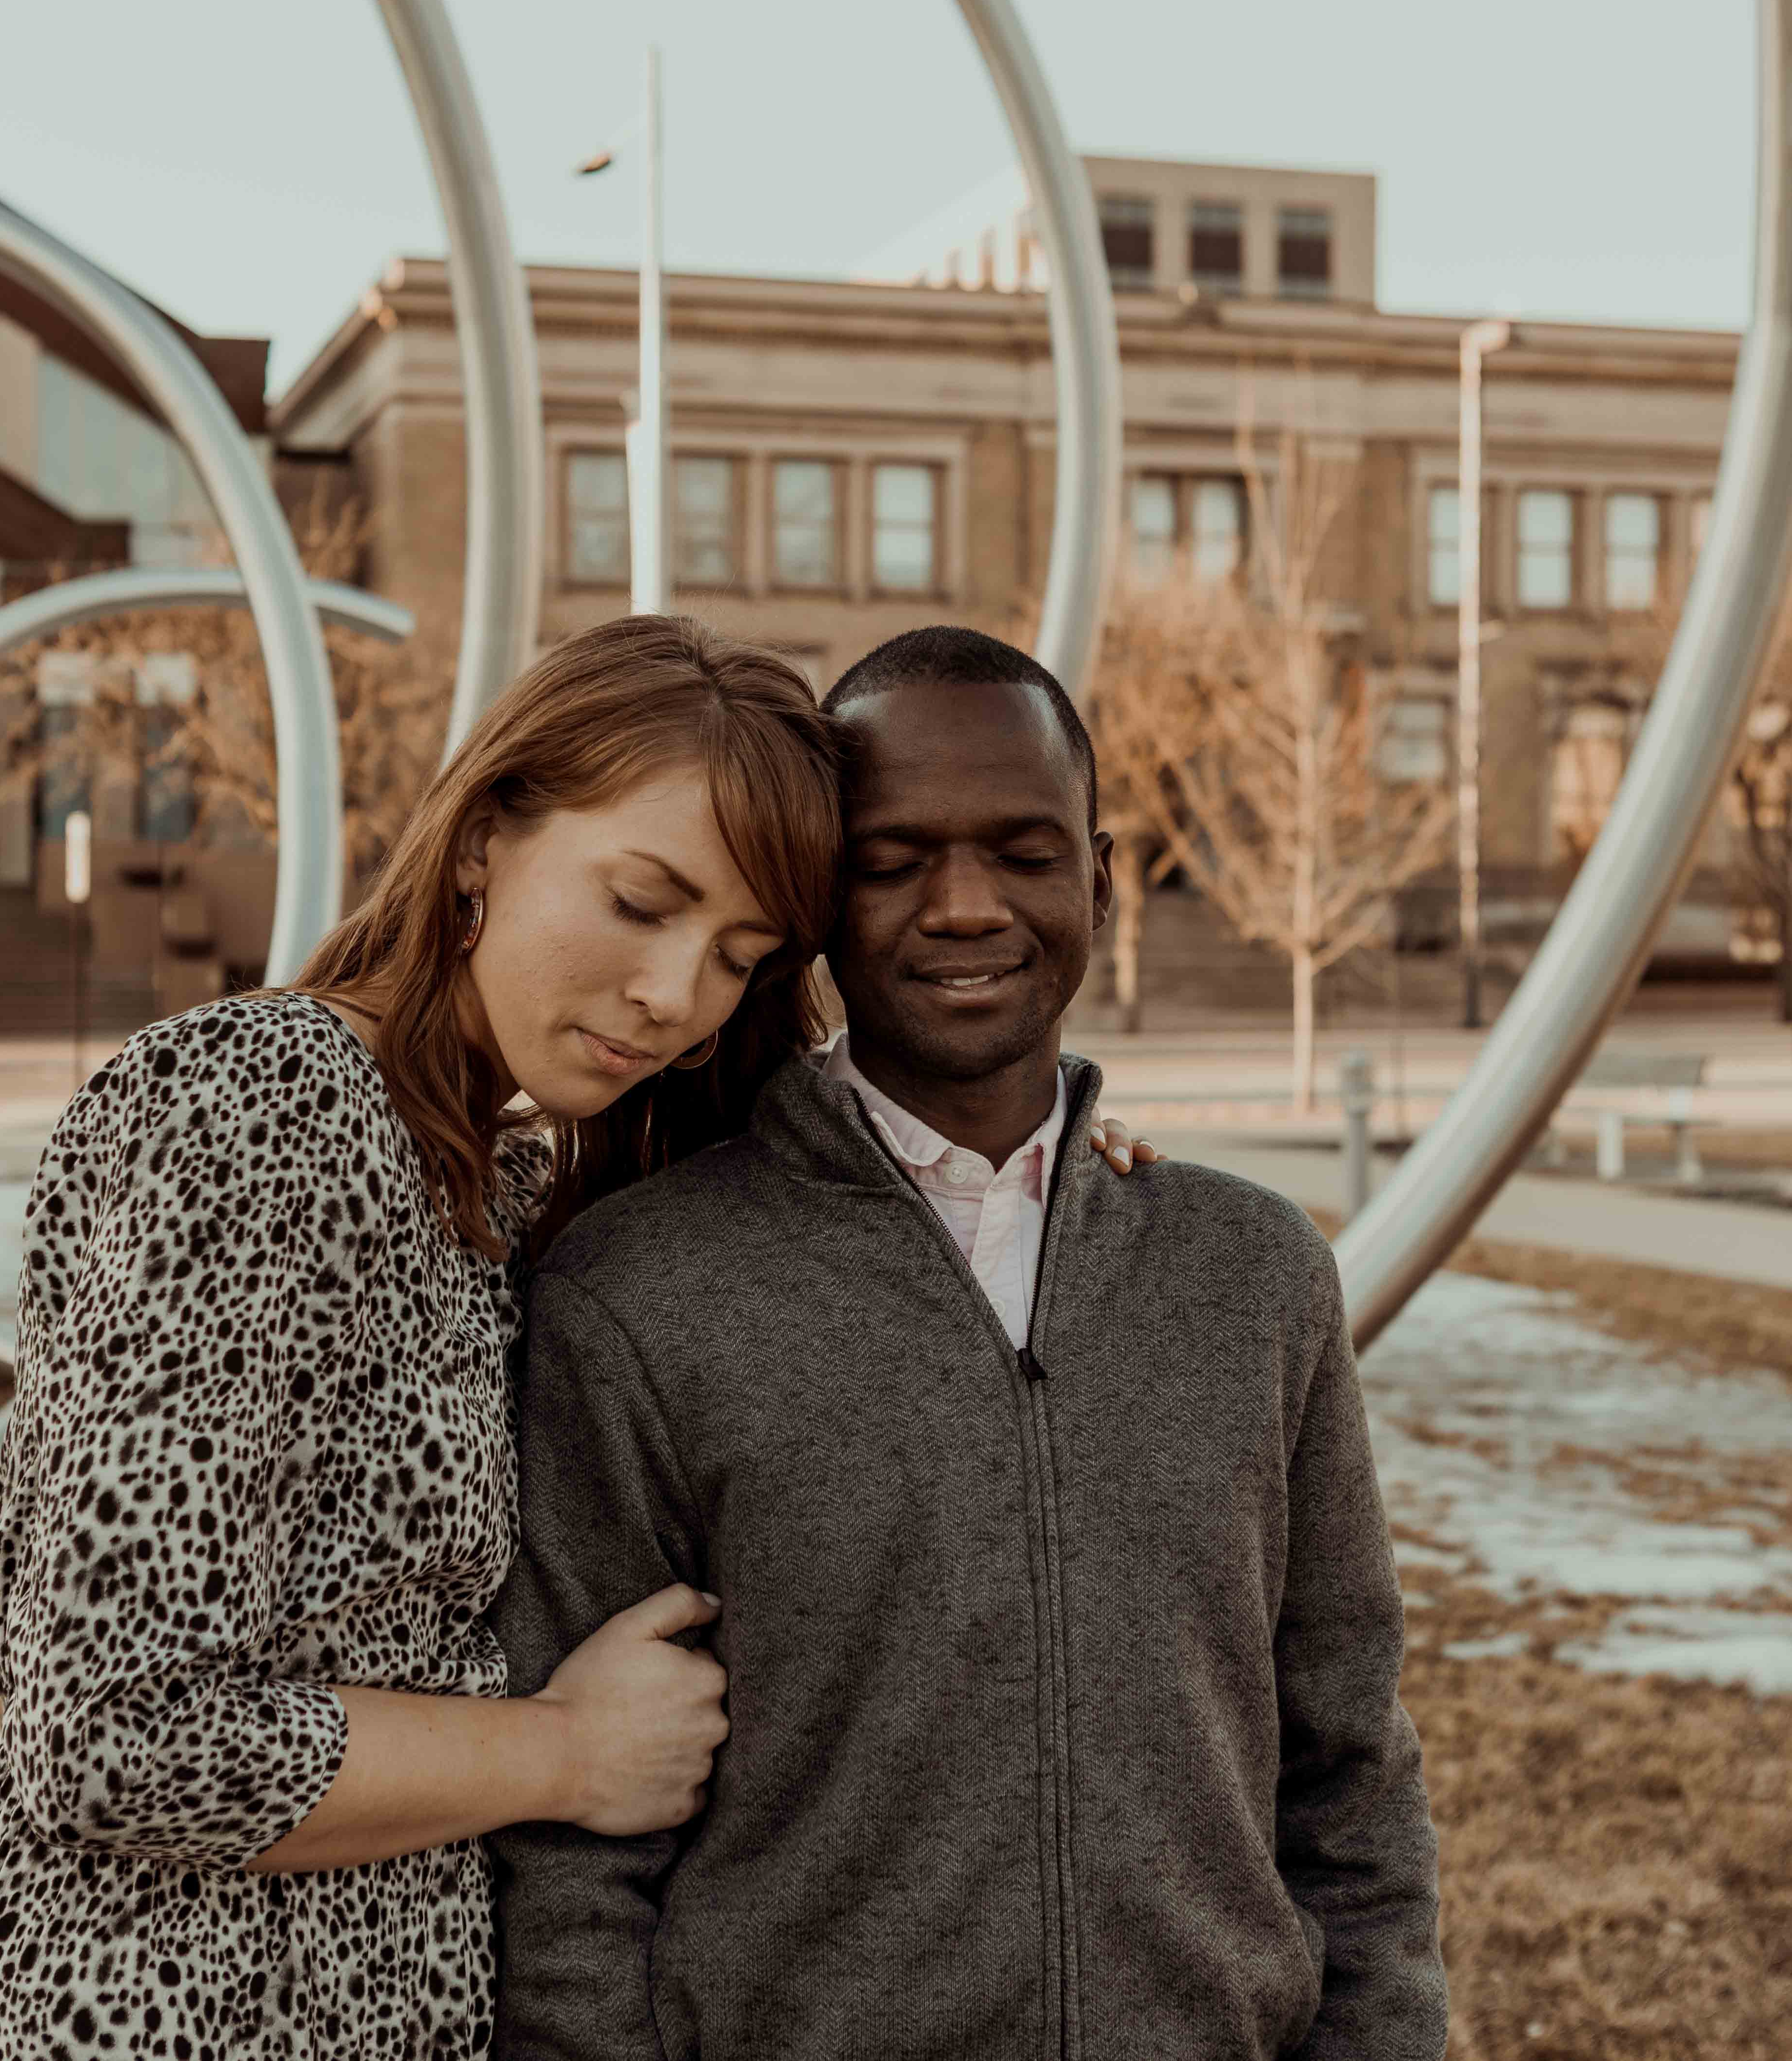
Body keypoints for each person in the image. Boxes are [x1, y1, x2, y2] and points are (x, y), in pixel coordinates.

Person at [492, 625, 1447, 2061]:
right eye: (890, 864)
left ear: (1102, 880)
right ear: (814, 902)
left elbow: (1348, 1767)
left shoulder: (1251, 1276)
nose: (961, 907)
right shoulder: (637, 1292)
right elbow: (571, 1866)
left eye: (1021, 851)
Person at [0, 615, 834, 2060]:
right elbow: (117, 1732)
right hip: (160, 2015)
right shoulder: (262, 1108)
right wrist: (565, 1754)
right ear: (482, 841)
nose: (678, 999)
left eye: (738, 958)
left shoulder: (490, 1171)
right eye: (644, 902)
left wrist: (1038, 1188)